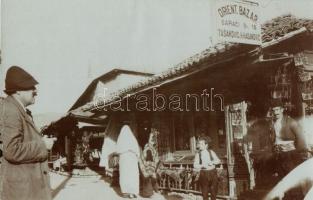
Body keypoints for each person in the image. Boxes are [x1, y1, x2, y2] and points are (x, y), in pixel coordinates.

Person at [0, 66, 57, 200]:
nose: (35, 91)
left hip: (27, 189)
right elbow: (12, 150)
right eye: (31, 87)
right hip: (22, 193)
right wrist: (43, 145)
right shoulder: (11, 110)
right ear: (18, 91)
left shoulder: (19, 110)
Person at [267, 99, 309, 179]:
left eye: (277, 109)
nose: (276, 112)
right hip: (278, 156)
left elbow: (301, 139)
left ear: (282, 109)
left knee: (292, 181)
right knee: (282, 182)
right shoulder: (272, 124)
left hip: (290, 156)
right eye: (273, 110)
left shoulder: (291, 122)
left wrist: (297, 154)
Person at [116, 121, 140, 199]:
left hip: (124, 158)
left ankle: (126, 192)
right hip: (132, 158)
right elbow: (137, 151)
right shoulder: (132, 139)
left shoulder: (121, 138)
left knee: (125, 174)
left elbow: (118, 149)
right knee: (133, 175)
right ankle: (133, 192)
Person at [193, 136, 221, 200]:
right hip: (204, 174)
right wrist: (202, 165)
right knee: (204, 192)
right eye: (199, 144)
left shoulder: (211, 152)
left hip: (213, 173)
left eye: (202, 144)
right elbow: (195, 165)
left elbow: (218, 161)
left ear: (206, 145)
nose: (200, 145)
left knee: (214, 191)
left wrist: (212, 162)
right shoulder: (198, 154)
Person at [139, 130, 160, 198]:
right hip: (148, 165)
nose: (153, 140)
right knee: (148, 178)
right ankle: (148, 193)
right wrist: (152, 168)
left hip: (148, 165)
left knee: (149, 178)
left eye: (154, 139)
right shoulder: (149, 148)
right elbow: (149, 160)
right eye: (152, 139)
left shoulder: (151, 147)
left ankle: (149, 191)